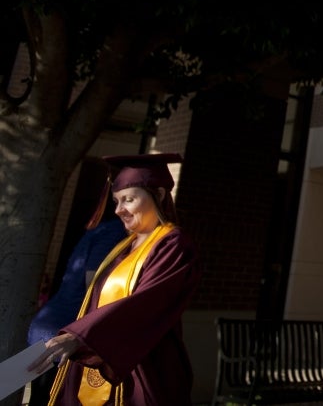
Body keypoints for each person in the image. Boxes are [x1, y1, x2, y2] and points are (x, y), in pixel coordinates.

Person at [28, 153, 201, 405]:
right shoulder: (123, 246)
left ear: (160, 195)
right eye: (116, 201)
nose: (119, 210)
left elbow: (146, 302)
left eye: (128, 200)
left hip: (139, 364)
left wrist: (79, 336)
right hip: (88, 349)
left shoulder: (173, 245)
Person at [24, 211, 126, 406]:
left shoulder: (99, 229)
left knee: (32, 393)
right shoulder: (114, 231)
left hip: (49, 324)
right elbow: (94, 282)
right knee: (46, 398)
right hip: (62, 329)